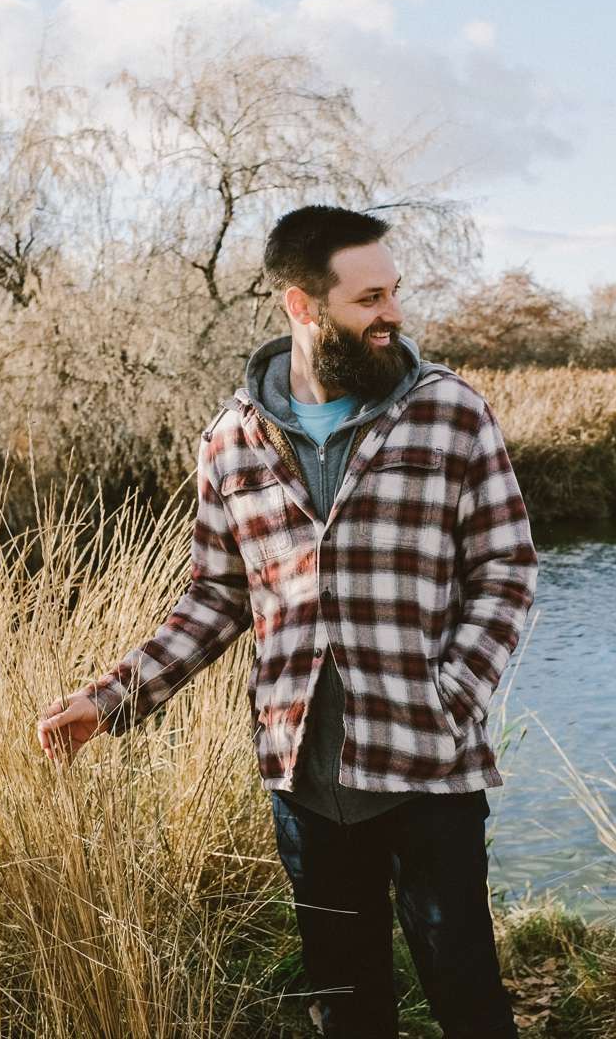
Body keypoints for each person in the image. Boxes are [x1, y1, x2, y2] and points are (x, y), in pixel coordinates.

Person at [37, 204, 537, 1038]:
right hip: (304, 783)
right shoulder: (231, 441)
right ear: (302, 306)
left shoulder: (450, 411)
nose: (393, 313)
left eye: (394, 292)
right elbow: (215, 597)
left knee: (470, 1003)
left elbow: (507, 569)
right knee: (345, 1011)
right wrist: (111, 696)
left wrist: (452, 697)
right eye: (369, 299)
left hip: (432, 772)